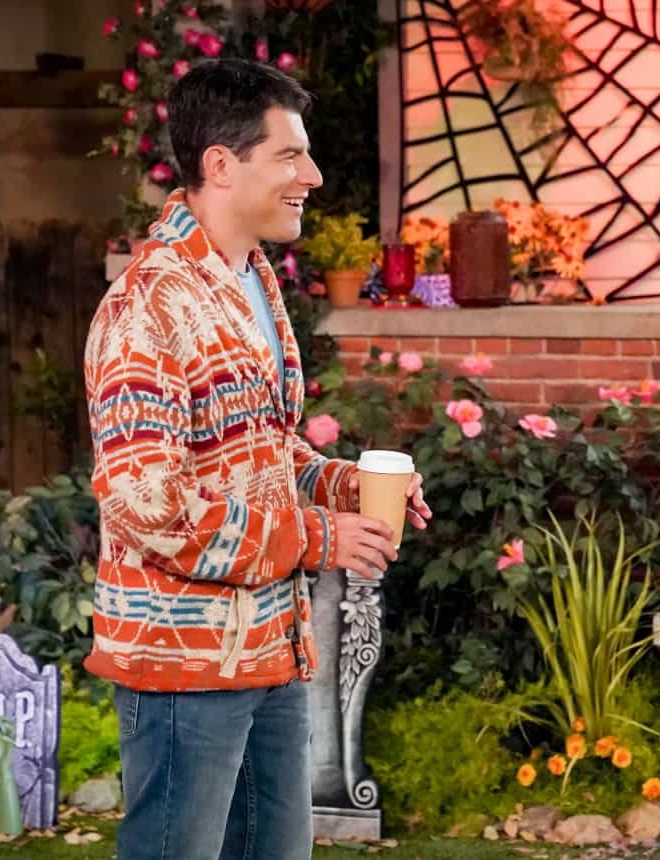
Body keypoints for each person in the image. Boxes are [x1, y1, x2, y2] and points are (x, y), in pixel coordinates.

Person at [83, 59, 430, 860]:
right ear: (220, 165)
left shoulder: (250, 282)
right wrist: (321, 538)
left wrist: (345, 485)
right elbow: (150, 509)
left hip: (270, 649)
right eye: (289, 155)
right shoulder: (148, 307)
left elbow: (260, 451)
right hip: (184, 666)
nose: (311, 176)